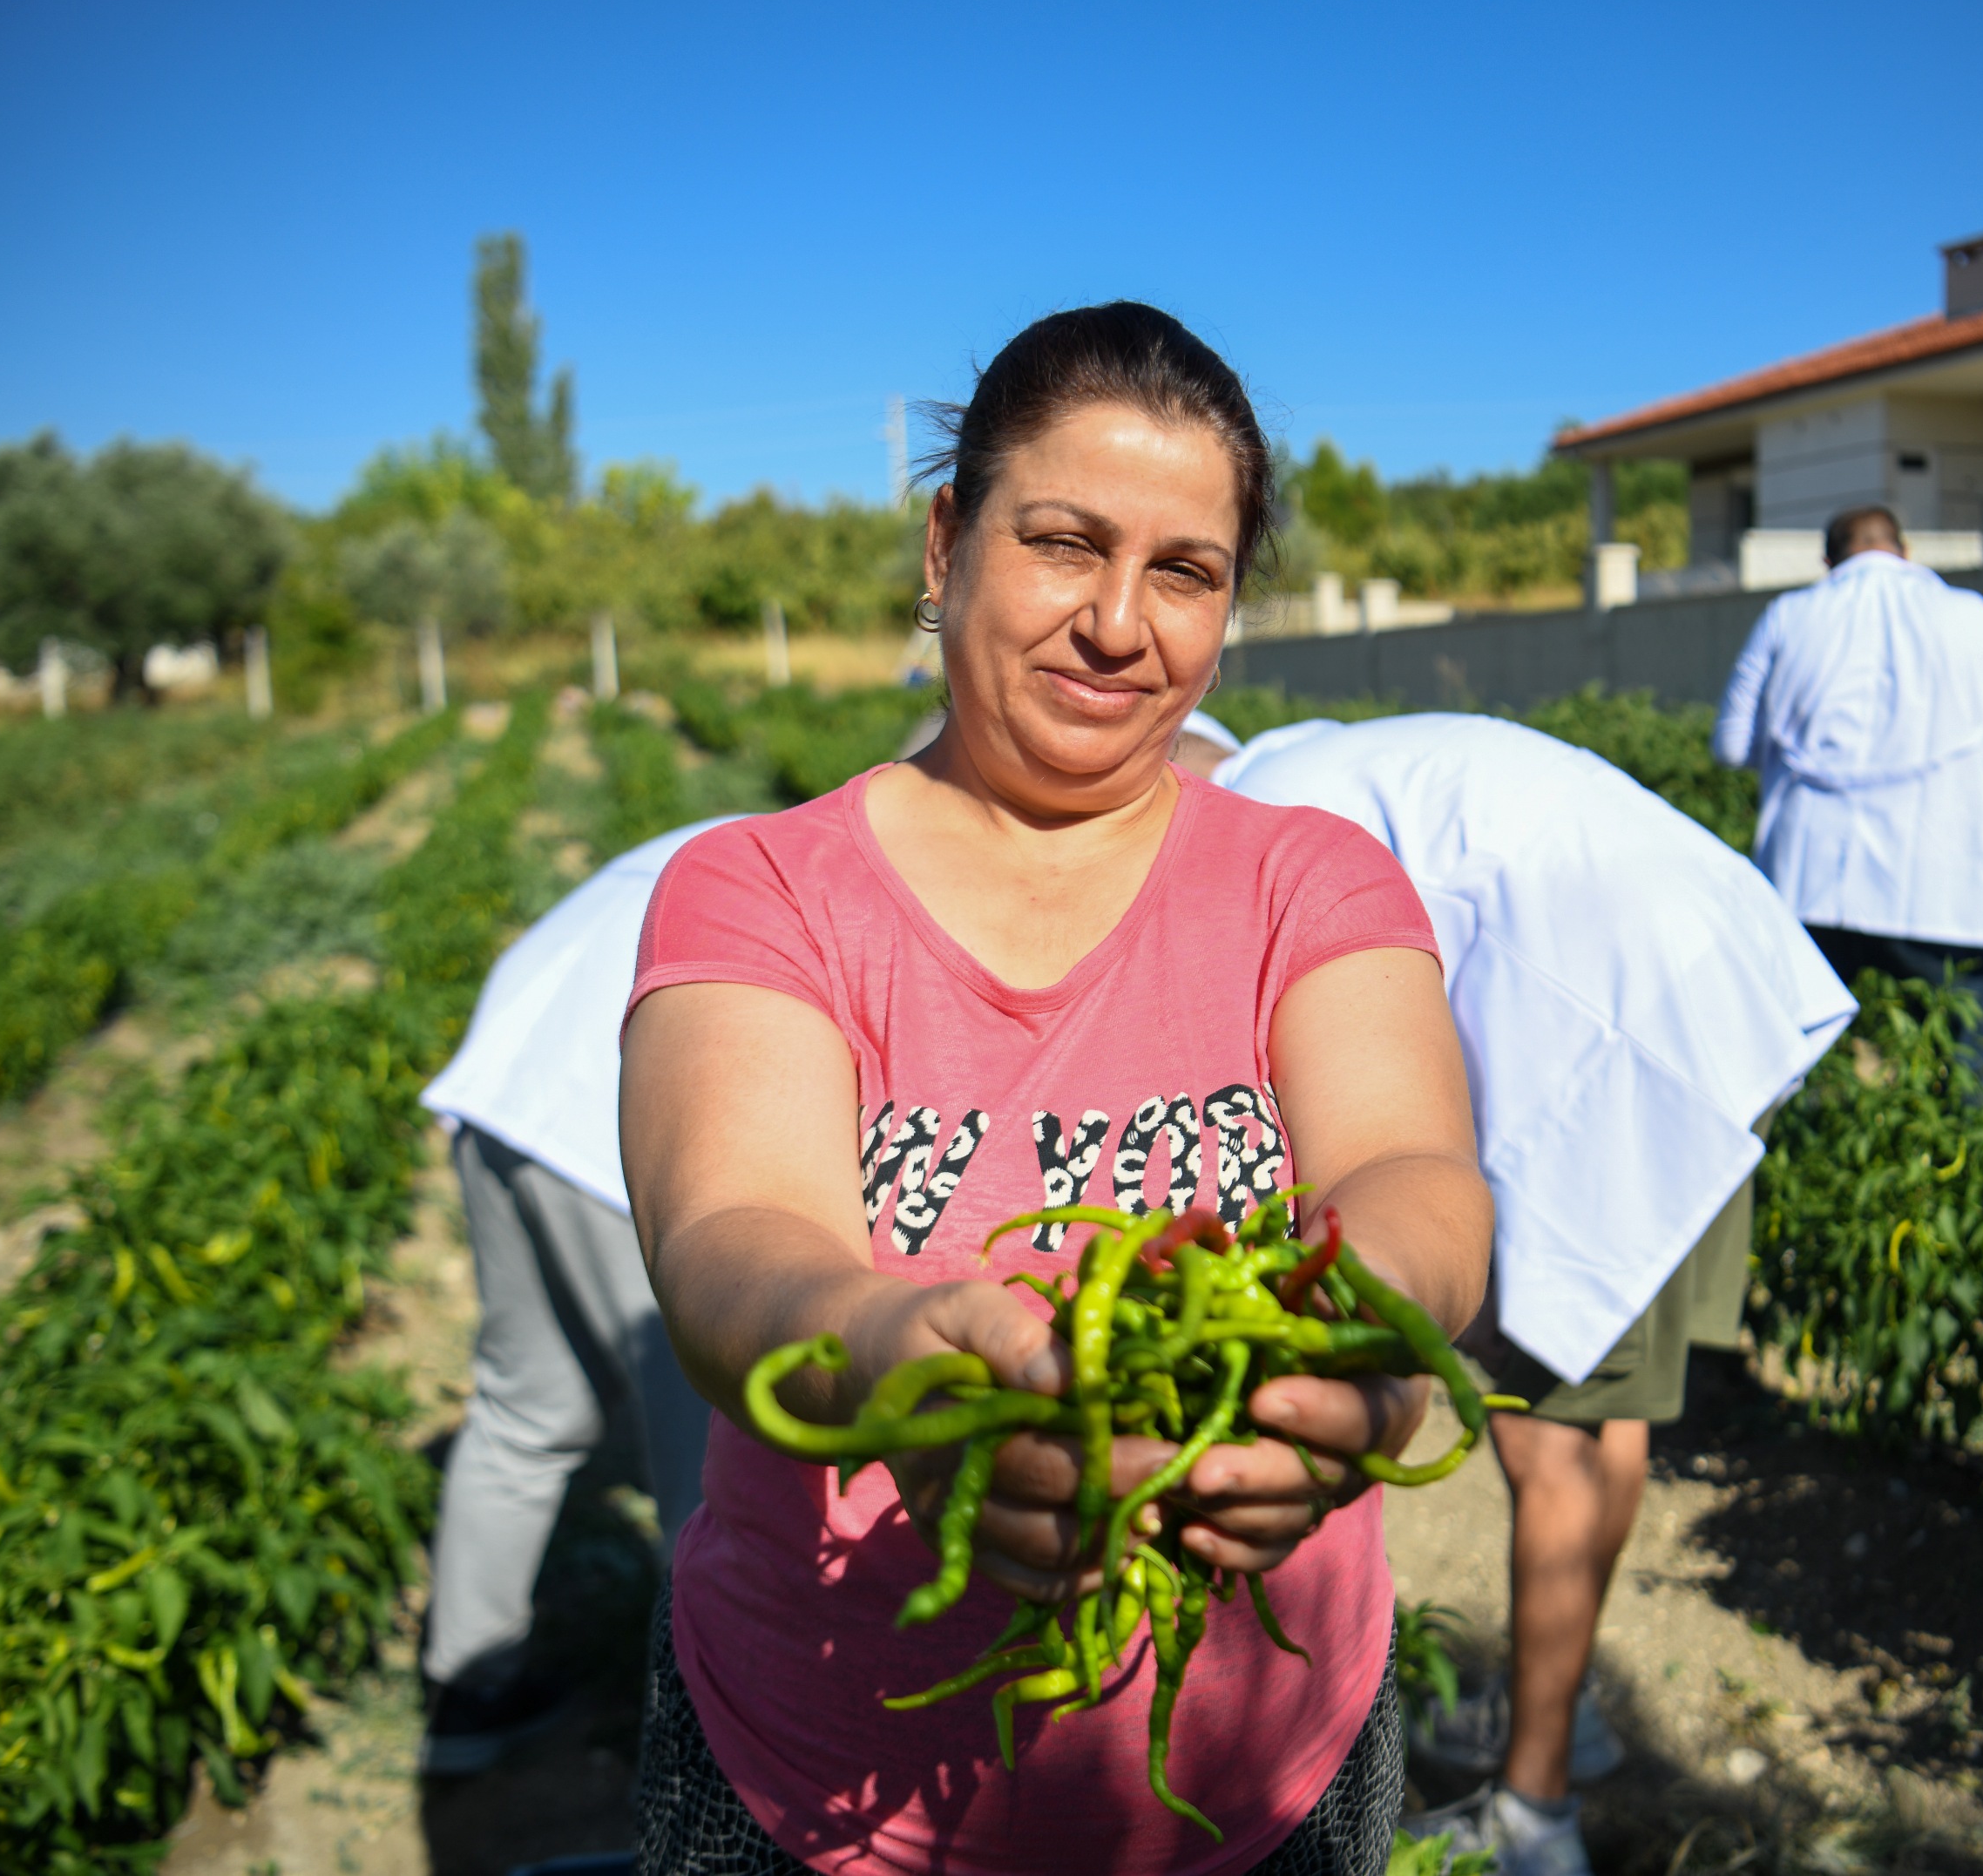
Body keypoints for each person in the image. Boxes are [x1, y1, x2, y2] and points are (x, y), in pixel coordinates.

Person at [617, 303, 1492, 1876]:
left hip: (1257, 1787)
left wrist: (1349, 1355)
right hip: (818, 1788)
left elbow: (1414, 1170)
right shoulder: (761, 885)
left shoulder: (1311, 878)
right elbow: (733, 1232)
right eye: (1063, 542)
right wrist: (899, 1362)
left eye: (1184, 571)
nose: (1115, 621)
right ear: (947, 541)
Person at [1178, 711, 1855, 1876]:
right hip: (1699, 996)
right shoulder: (1335, 757)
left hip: (1611, 1051)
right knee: (1606, 1424)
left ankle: (1534, 1812)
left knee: (1545, 1447)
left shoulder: (1264, 815)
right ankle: (1569, 1706)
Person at [415, 816, 734, 1775]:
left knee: (524, 1408)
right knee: (712, 1465)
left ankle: (468, 1691)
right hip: (610, 1137)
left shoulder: (735, 830)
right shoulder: (855, 861)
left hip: (505, 1094)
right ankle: (707, 1749)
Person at [1713, 505, 1983, 1086]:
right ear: (1904, 551)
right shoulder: (1970, 615)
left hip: (1812, 876)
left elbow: (1732, 745)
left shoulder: (1788, 615)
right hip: (1943, 881)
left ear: (1828, 560)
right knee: (1971, 1048)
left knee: (1800, 1050)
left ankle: (1808, 1163)